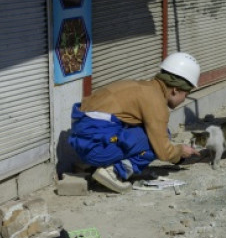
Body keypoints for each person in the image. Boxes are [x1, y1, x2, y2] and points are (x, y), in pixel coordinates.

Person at [68, 52, 202, 193]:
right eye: (185, 95)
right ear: (175, 90)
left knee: (148, 132)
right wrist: (179, 152)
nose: (184, 100)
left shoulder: (144, 87)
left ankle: (91, 165)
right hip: (94, 147)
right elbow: (164, 152)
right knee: (157, 140)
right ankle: (114, 172)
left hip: (84, 142)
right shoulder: (155, 102)